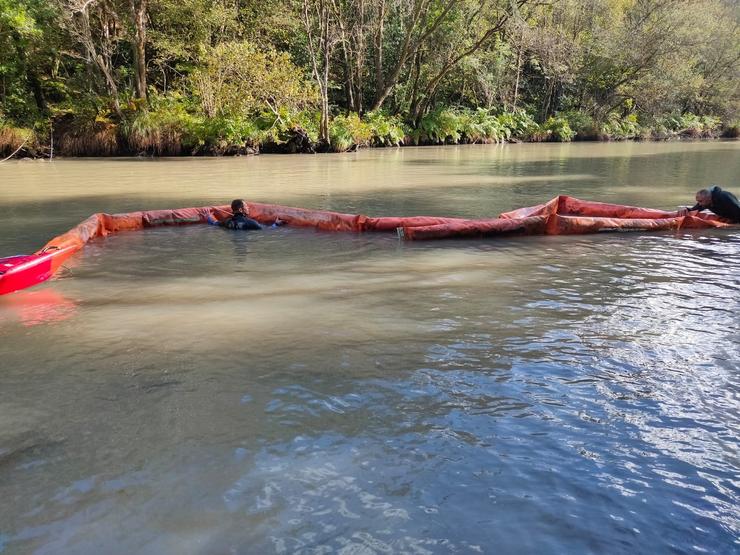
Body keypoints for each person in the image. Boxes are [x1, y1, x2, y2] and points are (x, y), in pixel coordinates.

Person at [208, 199, 285, 230]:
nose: (248, 207)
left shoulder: (227, 222)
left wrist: (208, 216)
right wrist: (276, 224)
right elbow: (267, 230)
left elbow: (214, 223)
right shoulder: (252, 223)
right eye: (246, 206)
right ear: (241, 210)